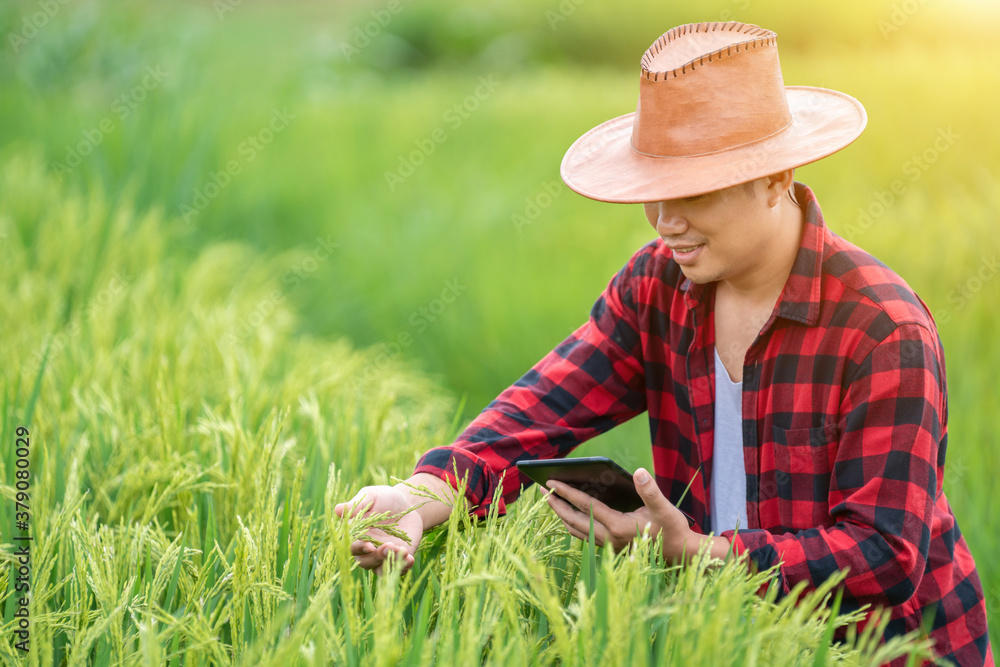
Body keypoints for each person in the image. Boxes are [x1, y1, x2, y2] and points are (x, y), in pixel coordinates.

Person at [335, 21, 993, 666]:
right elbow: (540, 409)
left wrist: (696, 554)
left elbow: (883, 556)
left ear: (775, 177)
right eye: (655, 193)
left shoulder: (881, 329)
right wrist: (420, 495)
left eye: (693, 193)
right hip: (731, 641)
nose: (666, 221)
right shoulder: (658, 285)